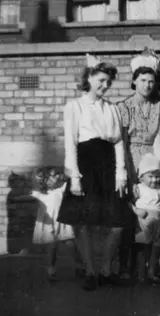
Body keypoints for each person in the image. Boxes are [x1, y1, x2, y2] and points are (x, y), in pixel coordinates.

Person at [57, 54, 131, 291]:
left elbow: (119, 142)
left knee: (117, 222)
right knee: (82, 222)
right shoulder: (74, 106)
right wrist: (74, 177)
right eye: (101, 80)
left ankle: (106, 269)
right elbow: (70, 143)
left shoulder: (112, 108)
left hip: (108, 165)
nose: (105, 86)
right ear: (89, 78)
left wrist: (121, 173)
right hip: (85, 165)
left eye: (108, 82)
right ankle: (91, 271)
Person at [116, 48, 160, 284]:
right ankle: (126, 267)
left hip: (154, 159)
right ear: (134, 82)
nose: (148, 85)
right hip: (130, 158)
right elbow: (121, 141)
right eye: (143, 80)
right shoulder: (124, 107)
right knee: (131, 218)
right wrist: (126, 173)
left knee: (155, 212)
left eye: (151, 81)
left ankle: (152, 266)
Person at [27, 167, 84, 281]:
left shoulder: (61, 189)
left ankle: (80, 265)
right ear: (46, 180)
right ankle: (51, 268)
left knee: (70, 242)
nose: (57, 176)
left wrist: (66, 176)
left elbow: (71, 181)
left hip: (61, 221)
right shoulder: (40, 193)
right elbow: (34, 182)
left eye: (58, 174)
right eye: (54, 175)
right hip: (48, 223)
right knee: (52, 245)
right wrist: (39, 175)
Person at [130, 154, 160, 285]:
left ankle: (151, 272)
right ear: (141, 177)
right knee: (142, 248)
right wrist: (136, 210)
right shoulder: (138, 189)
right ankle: (141, 273)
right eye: (150, 176)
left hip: (157, 221)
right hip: (143, 221)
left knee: (156, 248)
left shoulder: (159, 189)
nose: (154, 180)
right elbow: (129, 203)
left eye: (157, 176)